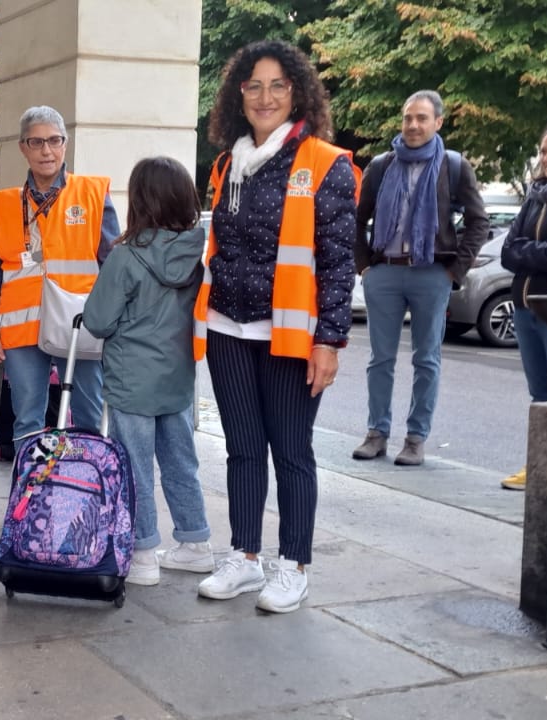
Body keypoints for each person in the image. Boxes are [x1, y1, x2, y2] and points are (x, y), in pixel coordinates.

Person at [193, 40, 358, 613]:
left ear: (298, 93)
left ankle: (293, 566)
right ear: (239, 94)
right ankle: (244, 556)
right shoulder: (224, 165)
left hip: (289, 335)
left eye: (277, 86)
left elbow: (339, 263)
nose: (265, 97)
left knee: (290, 452)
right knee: (241, 449)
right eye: (254, 86)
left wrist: (329, 341)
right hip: (227, 329)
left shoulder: (325, 163)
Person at [81, 156, 213, 587]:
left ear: (140, 199)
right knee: (181, 462)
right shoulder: (197, 252)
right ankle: (195, 543)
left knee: (133, 466)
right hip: (177, 379)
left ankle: (142, 555)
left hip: (131, 379)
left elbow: (99, 321)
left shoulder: (126, 257)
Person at [351, 89, 490, 466]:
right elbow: (357, 219)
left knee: (426, 359)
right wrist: (364, 265)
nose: (413, 125)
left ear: (438, 123)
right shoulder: (382, 165)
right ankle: (376, 433)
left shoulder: (454, 166)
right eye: (408, 118)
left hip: (432, 274)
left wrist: (453, 271)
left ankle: (415, 438)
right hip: (386, 272)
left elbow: (479, 223)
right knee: (380, 359)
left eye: (422, 118)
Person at [0, 106, 119, 447]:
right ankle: (33, 494)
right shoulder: (8, 204)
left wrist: (114, 323)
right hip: (23, 329)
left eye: (54, 141)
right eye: (36, 142)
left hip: (80, 326)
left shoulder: (92, 195)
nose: (46, 151)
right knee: (27, 421)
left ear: (65, 144)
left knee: (88, 416)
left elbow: (114, 267)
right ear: (23, 147)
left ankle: (89, 490)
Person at [500, 97, 547, 491]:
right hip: (525, 306)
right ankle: (539, 465)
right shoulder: (534, 195)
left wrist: (531, 253)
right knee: (538, 392)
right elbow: (508, 251)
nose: (544, 157)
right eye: (544, 149)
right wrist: (536, 254)